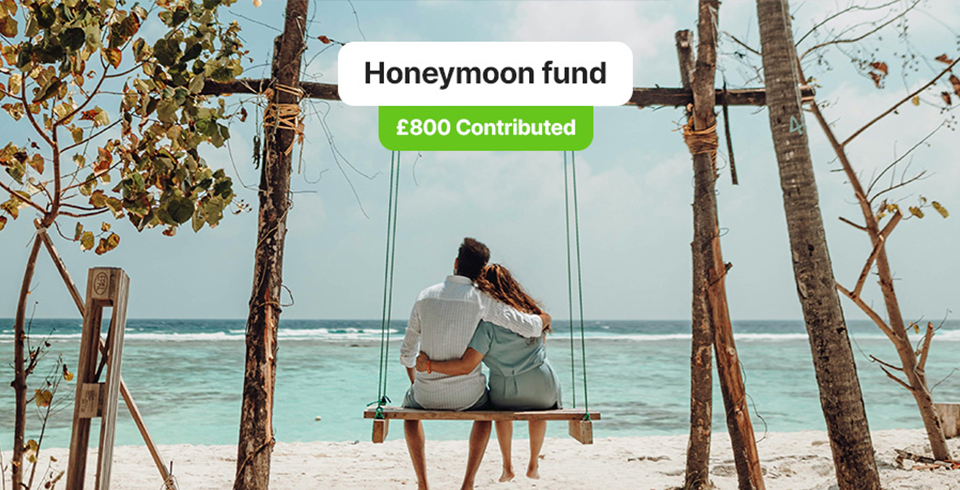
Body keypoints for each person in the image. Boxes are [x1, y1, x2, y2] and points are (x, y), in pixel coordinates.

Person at [399, 238, 552, 490]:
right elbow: (532, 327)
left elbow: (407, 354)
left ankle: (423, 484)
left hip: (425, 395)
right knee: (485, 414)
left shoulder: (424, 296)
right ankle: (468, 483)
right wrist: (544, 318)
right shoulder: (483, 300)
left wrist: (420, 382)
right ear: (482, 271)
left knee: (409, 416)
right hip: (469, 398)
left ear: (456, 263)